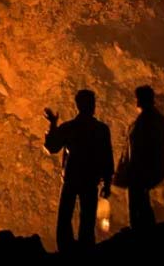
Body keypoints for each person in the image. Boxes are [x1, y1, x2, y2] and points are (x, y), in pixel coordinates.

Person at [44, 89, 114, 252]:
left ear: (78, 106)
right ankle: (86, 250)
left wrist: (52, 124)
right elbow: (107, 157)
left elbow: (51, 147)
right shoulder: (101, 129)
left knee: (65, 218)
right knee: (87, 220)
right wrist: (107, 182)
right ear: (92, 106)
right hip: (90, 180)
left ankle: (66, 250)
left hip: (72, 179)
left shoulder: (70, 128)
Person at [125, 85, 164, 230]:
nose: (136, 102)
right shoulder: (157, 119)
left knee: (138, 204)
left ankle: (141, 233)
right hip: (147, 169)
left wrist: (134, 169)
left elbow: (144, 146)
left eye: (138, 99)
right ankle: (145, 231)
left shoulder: (146, 121)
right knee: (142, 202)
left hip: (142, 169)